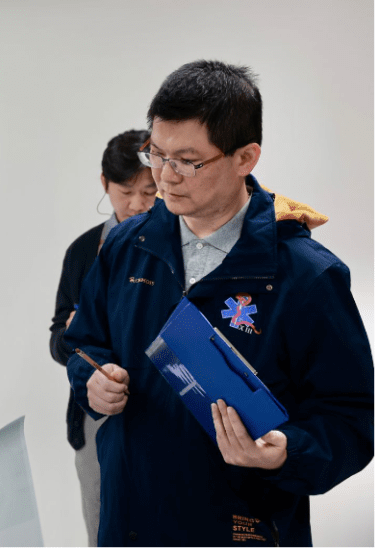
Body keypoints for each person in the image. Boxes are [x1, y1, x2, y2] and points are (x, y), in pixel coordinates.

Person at [64, 60, 373, 546]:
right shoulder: (126, 246)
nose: (165, 177)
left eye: (188, 161)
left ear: (245, 157)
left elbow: (350, 420)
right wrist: (92, 380)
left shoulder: (305, 276)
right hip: (130, 522)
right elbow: (83, 343)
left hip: (241, 527)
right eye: (156, 154)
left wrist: (286, 450)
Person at [48, 128, 155, 546]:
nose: (137, 204)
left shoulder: (176, 243)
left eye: (149, 192)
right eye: (125, 191)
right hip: (96, 412)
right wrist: (77, 336)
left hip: (160, 406)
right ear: (104, 184)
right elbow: (59, 338)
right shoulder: (82, 251)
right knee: (102, 525)